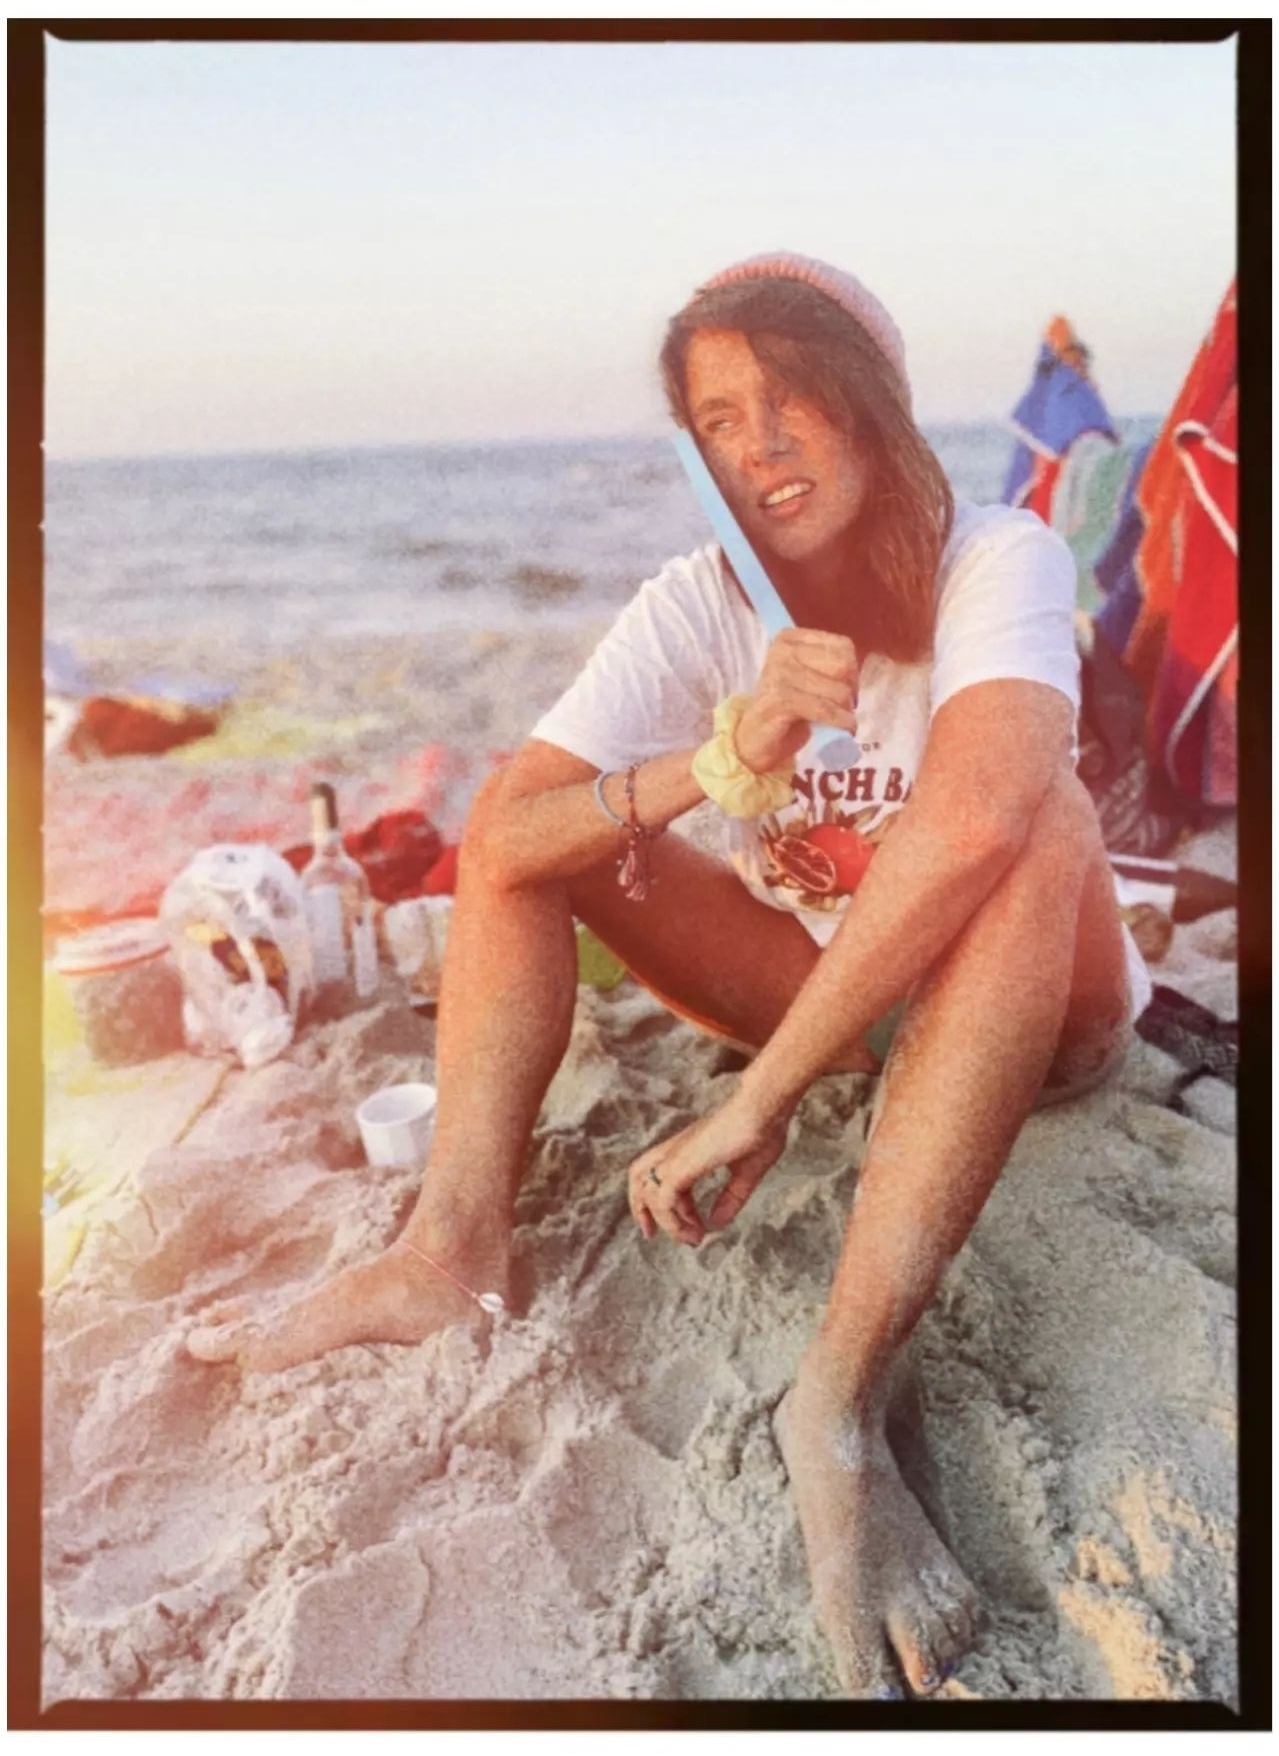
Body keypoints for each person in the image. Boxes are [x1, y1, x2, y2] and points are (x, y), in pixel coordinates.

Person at [190, 252, 1152, 1699]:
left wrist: (760, 1100)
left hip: (1038, 1016)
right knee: (540, 843)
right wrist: (719, 760)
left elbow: (971, 820)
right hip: (846, 1001)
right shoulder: (698, 604)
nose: (760, 443)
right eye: (718, 418)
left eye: (793, 396)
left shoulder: (993, 556)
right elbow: (502, 837)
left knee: (1038, 816)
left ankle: (835, 1400)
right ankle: (450, 1250)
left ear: (874, 404)